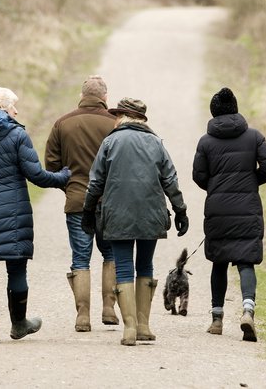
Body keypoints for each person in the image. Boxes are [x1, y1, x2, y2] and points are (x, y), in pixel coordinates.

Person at [0, 87, 71, 345]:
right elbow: (36, 175)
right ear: (2, 108)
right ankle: (19, 324)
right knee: (17, 267)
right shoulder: (17, 135)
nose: (17, 111)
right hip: (13, 211)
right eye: (13, 106)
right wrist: (63, 177)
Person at [82, 97, 189, 346]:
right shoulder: (156, 143)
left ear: (123, 116)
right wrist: (180, 210)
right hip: (151, 215)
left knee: (123, 267)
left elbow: (96, 181)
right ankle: (143, 325)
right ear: (141, 118)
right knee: (145, 265)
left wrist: (88, 210)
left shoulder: (110, 142)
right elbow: (170, 180)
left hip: (117, 214)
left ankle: (129, 328)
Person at [193, 87, 266, 342]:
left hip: (218, 208)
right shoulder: (253, 137)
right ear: (236, 108)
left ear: (213, 111)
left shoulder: (206, 142)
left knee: (219, 260)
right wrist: (253, 181)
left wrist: (216, 188)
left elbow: (198, 176)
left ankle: (217, 319)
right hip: (247, 206)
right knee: (245, 260)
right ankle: (248, 310)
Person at [44, 75, 119, 332]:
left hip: (77, 201)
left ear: (81, 95)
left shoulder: (62, 123)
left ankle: (83, 316)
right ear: (104, 97)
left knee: (80, 259)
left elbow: (51, 166)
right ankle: (109, 308)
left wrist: (69, 187)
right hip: (109, 202)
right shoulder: (115, 123)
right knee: (110, 254)